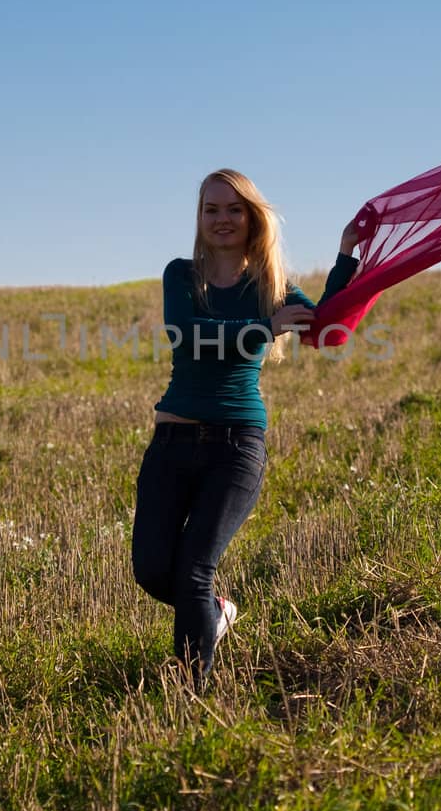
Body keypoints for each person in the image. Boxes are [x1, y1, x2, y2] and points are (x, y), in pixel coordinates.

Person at [132, 168, 360, 683]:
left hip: (235, 446)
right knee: (150, 570)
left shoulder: (273, 287)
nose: (222, 219)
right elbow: (189, 335)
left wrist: (347, 254)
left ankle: (192, 697)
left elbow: (327, 325)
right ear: (199, 218)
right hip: (172, 441)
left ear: (252, 216)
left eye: (233, 209)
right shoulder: (180, 275)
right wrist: (263, 326)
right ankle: (217, 612)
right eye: (211, 210)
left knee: (192, 570)